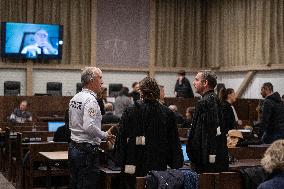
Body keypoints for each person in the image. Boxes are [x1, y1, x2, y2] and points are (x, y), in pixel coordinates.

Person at [114, 77, 183, 189]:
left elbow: (121, 137)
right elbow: (173, 140)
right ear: (157, 92)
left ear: (141, 92)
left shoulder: (131, 111)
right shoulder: (167, 113)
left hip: (134, 160)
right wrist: (175, 162)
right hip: (158, 162)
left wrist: (119, 159)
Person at [68, 67, 115, 189]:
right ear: (91, 80)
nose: (102, 82)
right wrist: (105, 135)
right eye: (100, 78)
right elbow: (89, 127)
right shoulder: (91, 101)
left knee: (75, 183)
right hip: (86, 152)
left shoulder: (75, 98)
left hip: (74, 147)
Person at [188, 70, 228, 173]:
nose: (193, 82)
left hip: (205, 161)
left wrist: (194, 156)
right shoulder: (215, 100)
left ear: (205, 83)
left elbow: (202, 134)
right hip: (215, 157)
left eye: (197, 80)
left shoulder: (205, 102)